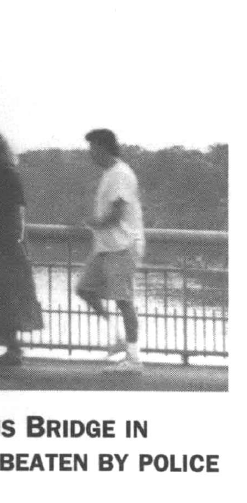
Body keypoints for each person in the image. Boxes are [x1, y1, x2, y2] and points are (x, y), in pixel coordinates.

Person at [76, 128, 146, 373]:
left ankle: (134, 360)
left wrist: (89, 223)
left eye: (93, 148)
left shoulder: (120, 174)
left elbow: (115, 215)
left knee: (124, 300)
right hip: (106, 247)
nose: (90, 153)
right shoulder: (109, 173)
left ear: (104, 147)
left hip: (123, 246)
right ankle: (117, 338)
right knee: (84, 289)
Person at [0, 131, 42, 366]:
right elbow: (18, 213)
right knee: (11, 299)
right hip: (12, 246)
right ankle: (13, 349)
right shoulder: (12, 176)